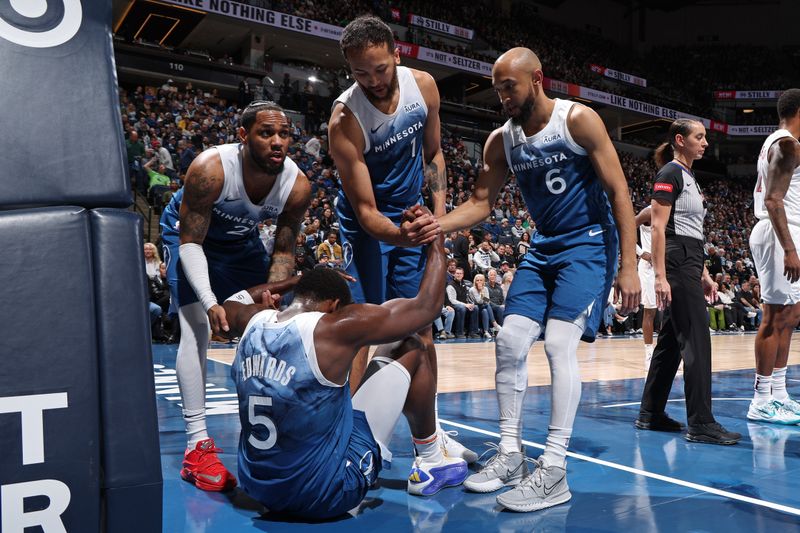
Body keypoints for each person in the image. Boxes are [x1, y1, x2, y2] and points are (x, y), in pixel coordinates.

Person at [409, 47, 640, 512]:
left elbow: (618, 189)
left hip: (589, 243)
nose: (502, 97)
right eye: (496, 89)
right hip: (545, 244)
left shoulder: (579, 121)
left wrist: (629, 265)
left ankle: (553, 469)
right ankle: (511, 454)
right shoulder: (502, 140)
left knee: (557, 345)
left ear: (537, 78)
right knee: (510, 341)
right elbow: (481, 203)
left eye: (508, 86)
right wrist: (439, 224)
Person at [224, 233, 468, 519]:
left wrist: (293, 281)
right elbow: (427, 308)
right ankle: (431, 460)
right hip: (324, 496)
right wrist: (437, 244)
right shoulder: (332, 327)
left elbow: (231, 301)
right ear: (334, 306)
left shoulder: (254, 320)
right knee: (409, 344)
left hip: (259, 489)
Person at [329, 15, 475, 462]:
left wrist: (438, 221)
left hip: (414, 217)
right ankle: (345, 440)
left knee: (420, 325)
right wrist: (403, 234)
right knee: (361, 329)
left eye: (380, 69)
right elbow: (367, 212)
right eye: (360, 73)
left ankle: (428, 438)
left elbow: (433, 154)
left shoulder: (424, 87)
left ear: (397, 54)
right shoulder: (345, 121)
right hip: (369, 228)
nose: (372, 80)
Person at [159, 101, 311, 491]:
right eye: (266, 133)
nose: (278, 142)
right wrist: (210, 301)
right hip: (191, 239)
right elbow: (192, 242)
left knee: (269, 330)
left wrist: (274, 298)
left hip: (241, 245)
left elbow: (282, 251)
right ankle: (196, 447)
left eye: (285, 134)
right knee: (197, 328)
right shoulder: (210, 169)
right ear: (243, 136)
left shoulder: (297, 185)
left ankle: (274, 431)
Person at [636, 118, 741, 445]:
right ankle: (701, 423)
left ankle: (650, 413)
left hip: (689, 259)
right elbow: (655, 226)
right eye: (699, 137)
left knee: (670, 342)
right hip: (677, 260)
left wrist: (705, 274)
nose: (705, 142)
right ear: (680, 140)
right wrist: (660, 276)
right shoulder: (669, 173)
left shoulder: (687, 176)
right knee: (697, 339)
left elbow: (665, 222)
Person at [747, 88, 800, 425]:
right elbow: (773, 200)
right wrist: (790, 248)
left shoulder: (780, 142)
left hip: (788, 232)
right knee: (774, 317)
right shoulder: (786, 144)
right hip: (779, 235)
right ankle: (760, 397)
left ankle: (778, 394)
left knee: (790, 317)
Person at [636, 206, 658, 370]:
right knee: (650, 311)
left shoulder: (672, 212)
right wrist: (641, 252)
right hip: (649, 267)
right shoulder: (648, 211)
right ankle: (648, 353)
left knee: (669, 311)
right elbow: (627, 228)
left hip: (665, 265)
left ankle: (665, 352)